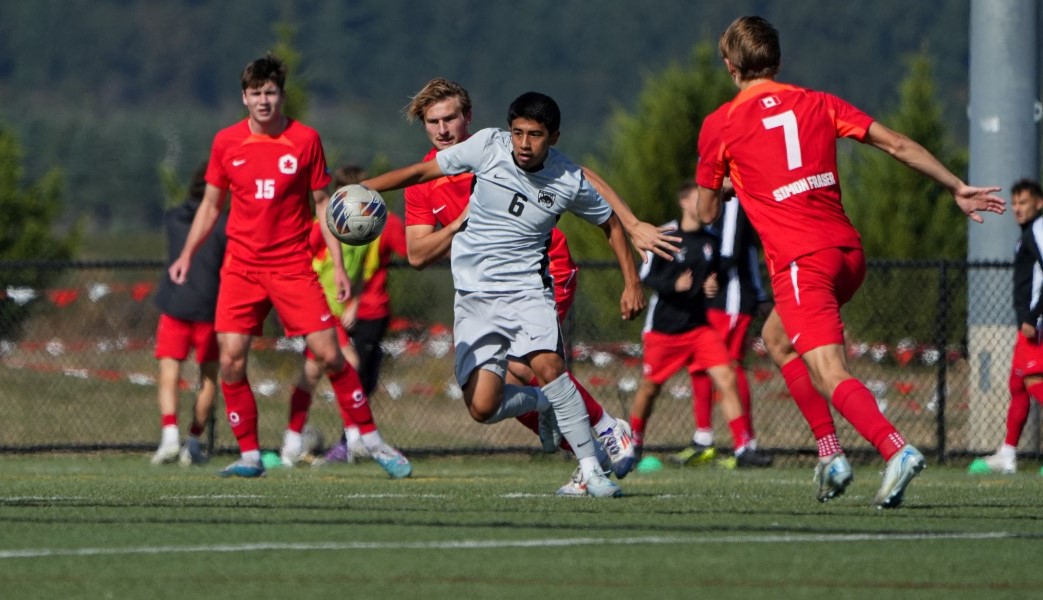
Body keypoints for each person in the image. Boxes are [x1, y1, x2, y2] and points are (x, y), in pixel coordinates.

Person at [695, 16, 1005, 508]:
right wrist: (955, 186)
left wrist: (729, 184)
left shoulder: (721, 124)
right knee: (776, 338)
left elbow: (706, 211)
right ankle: (830, 453)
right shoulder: (819, 102)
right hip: (847, 253)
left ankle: (895, 448)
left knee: (831, 370)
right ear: (777, 61)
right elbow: (897, 144)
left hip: (801, 261)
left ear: (730, 67)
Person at [363, 91, 647, 496]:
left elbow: (582, 178)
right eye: (433, 122)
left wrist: (632, 232)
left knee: (539, 365)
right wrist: (365, 191)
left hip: (541, 272)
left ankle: (600, 440)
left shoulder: (509, 149)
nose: (443, 129)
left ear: (469, 117)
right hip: (476, 295)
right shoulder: (449, 169)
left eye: (450, 118)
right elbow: (418, 254)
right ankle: (572, 427)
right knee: (486, 402)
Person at [168, 53, 409, 478]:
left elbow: (323, 208)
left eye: (271, 93)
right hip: (241, 267)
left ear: (282, 96)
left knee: (330, 354)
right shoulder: (226, 142)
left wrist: (337, 269)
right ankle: (249, 456)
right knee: (230, 362)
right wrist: (187, 254)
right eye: (256, 93)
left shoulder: (305, 140)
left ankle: (371, 439)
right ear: (244, 97)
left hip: (292, 265)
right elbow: (210, 204)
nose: (264, 101)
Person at [629, 182, 773, 468]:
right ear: (684, 202)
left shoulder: (711, 241)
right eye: (700, 198)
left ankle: (743, 447)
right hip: (664, 330)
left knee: (727, 377)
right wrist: (674, 285)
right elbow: (646, 277)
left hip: (698, 329)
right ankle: (633, 443)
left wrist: (709, 285)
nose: (707, 203)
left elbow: (713, 274)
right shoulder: (664, 234)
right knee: (650, 389)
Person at [673, 179, 772, 467]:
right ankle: (703, 439)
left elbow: (729, 253)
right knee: (701, 364)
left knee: (728, 366)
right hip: (711, 299)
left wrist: (705, 276)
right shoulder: (708, 200)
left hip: (732, 297)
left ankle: (745, 445)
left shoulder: (733, 201)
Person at [320, 166, 411, 464]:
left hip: (372, 310)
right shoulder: (329, 222)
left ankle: (351, 439)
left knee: (365, 379)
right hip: (334, 308)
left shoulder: (384, 221)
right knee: (347, 372)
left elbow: (410, 251)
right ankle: (347, 440)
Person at [151, 160, 226, 467]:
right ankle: (192, 443)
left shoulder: (173, 218)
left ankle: (169, 436)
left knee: (169, 375)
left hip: (175, 304)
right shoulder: (225, 222)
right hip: (210, 308)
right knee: (208, 378)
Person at [969, 179, 1043, 475]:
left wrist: (1033, 315)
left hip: (1035, 325)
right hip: (1028, 323)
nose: (1017, 208)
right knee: (1018, 386)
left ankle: (1008, 454)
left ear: (1039, 203)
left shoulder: (1039, 229)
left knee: (1033, 382)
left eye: (1023, 202)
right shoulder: (1028, 232)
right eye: (1014, 203)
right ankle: (1008, 454)